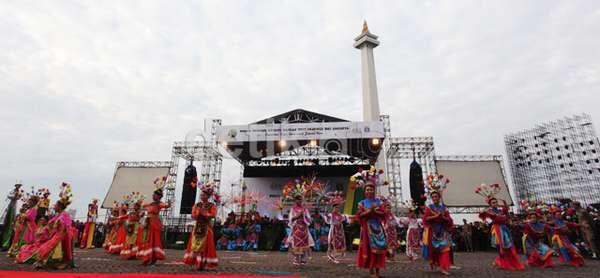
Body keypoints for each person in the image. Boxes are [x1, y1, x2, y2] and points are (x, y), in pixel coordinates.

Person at [475, 183, 524, 270]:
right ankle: (502, 261)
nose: (495, 203)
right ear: (490, 204)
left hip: (504, 229)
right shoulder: (489, 211)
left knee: (508, 245)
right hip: (497, 229)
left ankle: (503, 261)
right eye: (493, 202)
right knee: (500, 245)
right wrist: (488, 216)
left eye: (496, 202)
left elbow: (506, 214)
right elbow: (485, 219)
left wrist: (504, 204)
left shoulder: (500, 211)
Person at [31, 182, 74, 270]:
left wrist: (56, 227)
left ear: (60, 206)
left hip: (62, 236)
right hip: (56, 235)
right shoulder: (58, 215)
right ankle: (42, 261)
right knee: (45, 244)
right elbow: (51, 223)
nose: (54, 207)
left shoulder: (64, 215)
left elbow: (66, 227)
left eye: (56, 205)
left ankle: (49, 262)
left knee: (48, 246)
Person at [421, 174, 453, 276]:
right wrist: (435, 217)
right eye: (433, 196)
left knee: (445, 249)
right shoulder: (429, 207)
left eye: (436, 196)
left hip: (442, 230)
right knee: (434, 249)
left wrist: (443, 218)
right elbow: (425, 219)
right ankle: (434, 262)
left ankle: (443, 267)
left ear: (439, 197)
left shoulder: (444, 208)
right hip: (432, 230)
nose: (435, 198)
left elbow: (449, 219)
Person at [183, 183, 219, 270]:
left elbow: (213, 215)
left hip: (206, 227)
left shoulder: (211, 205)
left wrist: (205, 213)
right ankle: (196, 262)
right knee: (194, 244)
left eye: (203, 195)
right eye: (201, 194)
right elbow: (193, 215)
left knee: (206, 245)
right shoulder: (197, 205)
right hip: (198, 227)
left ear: (208, 196)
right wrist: (198, 214)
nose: (201, 196)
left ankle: (203, 263)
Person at [356, 182, 387, 278]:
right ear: (365, 192)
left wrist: (374, 211)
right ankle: (371, 271)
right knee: (369, 250)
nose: (370, 191)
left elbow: (384, 214)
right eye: (368, 189)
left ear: (374, 191)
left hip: (378, 227)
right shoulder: (362, 203)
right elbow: (359, 216)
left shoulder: (379, 202)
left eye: (371, 189)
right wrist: (370, 211)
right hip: (367, 229)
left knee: (380, 249)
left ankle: (378, 271)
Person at [138, 176, 171, 266]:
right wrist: (139, 206)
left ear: (159, 196)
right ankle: (146, 258)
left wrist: (168, 204)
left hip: (155, 224)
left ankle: (153, 259)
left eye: (155, 195)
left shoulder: (159, 204)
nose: (153, 196)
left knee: (154, 241)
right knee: (147, 240)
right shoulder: (151, 203)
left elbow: (165, 205)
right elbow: (143, 206)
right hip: (148, 223)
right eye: (153, 195)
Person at [521, 202, 554, 268]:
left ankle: (547, 263)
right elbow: (525, 232)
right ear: (529, 218)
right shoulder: (527, 225)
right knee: (534, 253)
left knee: (546, 250)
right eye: (531, 217)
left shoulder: (541, 224)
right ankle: (532, 262)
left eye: (534, 217)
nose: (533, 219)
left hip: (538, 241)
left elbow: (550, 228)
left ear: (537, 218)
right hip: (529, 241)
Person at [287, 191, 314, 267]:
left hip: (304, 229)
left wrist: (304, 216)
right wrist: (297, 216)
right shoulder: (293, 209)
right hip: (296, 228)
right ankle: (296, 258)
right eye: (298, 199)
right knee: (295, 243)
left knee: (304, 244)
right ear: (295, 201)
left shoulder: (305, 209)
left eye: (300, 199)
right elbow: (291, 219)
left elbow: (309, 219)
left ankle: (302, 258)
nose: (299, 201)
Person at [120, 193, 145, 260]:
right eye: (134, 205)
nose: (135, 207)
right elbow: (125, 216)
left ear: (138, 207)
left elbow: (141, 216)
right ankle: (129, 253)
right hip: (130, 227)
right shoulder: (130, 212)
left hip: (136, 227)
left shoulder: (139, 212)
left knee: (135, 240)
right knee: (128, 240)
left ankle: (134, 253)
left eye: (136, 206)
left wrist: (142, 214)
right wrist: (119, 217)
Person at [324, 192, 347, 264]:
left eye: (338, 207)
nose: (337, 208)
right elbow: (327, 217)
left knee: (339, 242)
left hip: (339, 230)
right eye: (335, 207)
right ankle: (333, 256)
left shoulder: (340, 215)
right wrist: (326, 211)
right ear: (333, 208)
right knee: (332, 242)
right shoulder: (331, 215)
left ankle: (332, 255)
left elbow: (344, 218)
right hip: (333, 230)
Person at [1, 183, 23, 250]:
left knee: (9, 227)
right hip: (6, 209)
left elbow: (18, 197)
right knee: (2, 226)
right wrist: (14, 195)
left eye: (19, 186)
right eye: (17, 185)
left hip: (12, 210)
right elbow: (9, 196)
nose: (18, 187)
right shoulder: (11, 190)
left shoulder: (19, 192)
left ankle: (5, 244)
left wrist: (17, 195)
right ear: (15, 186)